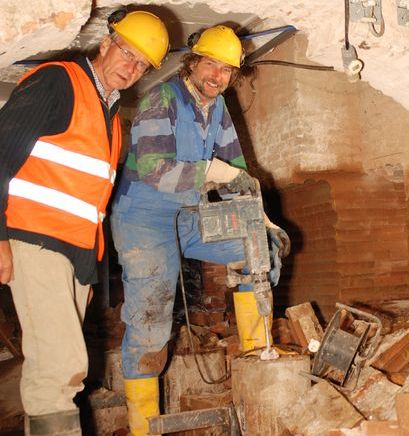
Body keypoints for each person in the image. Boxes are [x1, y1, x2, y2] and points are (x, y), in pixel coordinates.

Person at [110, 24, 290, 435]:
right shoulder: (162, 100)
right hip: (144, 217)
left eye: (227, 70)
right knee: (151, 315)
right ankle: (141, 426)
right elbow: (156, 171)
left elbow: (236, 172)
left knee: (257, 249)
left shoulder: (219, 108)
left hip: (189, 215)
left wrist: (261, 224)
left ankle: (256, 363)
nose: (217, 76)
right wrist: (215, 172)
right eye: (211, 64)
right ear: (193, 62)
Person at [0, 9, 169, 435]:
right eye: (127, 53)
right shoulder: (59, 82)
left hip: (71, 253)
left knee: (62, 368)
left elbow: (90, 204)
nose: (131, 67)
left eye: (142, 64)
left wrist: (87, 271)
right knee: (59, 367)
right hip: (34, 238)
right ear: (106, 43)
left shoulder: (111, 116)